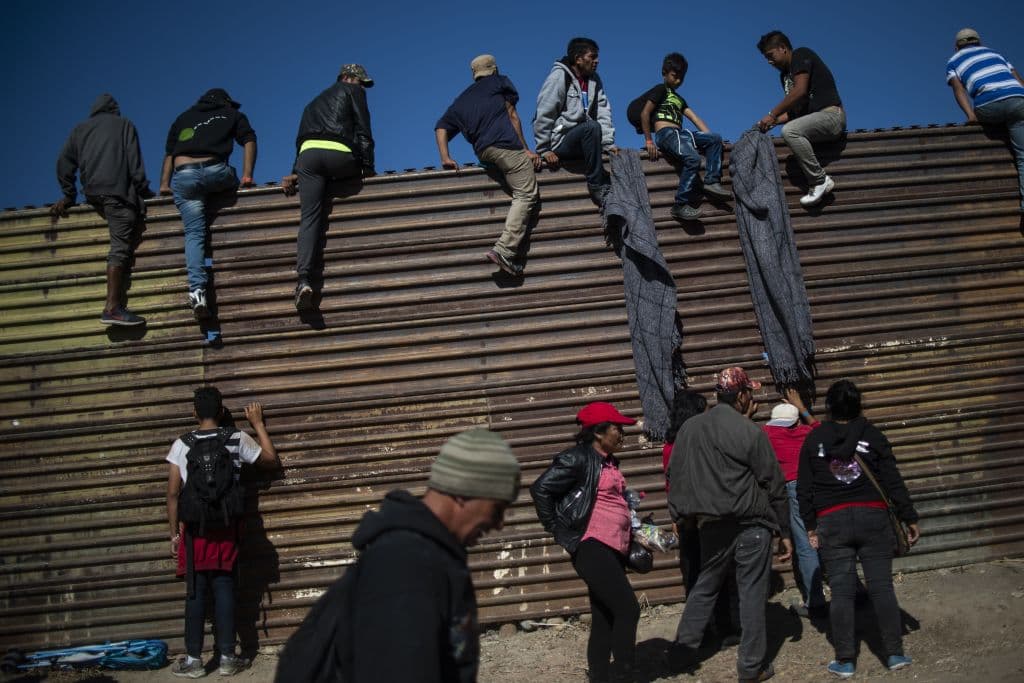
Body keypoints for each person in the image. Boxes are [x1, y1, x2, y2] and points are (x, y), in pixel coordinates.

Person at [274, 428, 520, 682]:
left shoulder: (426, 555)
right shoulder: (406, 567)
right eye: (497, 508)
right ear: (464, 491)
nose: (499, 524)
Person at [667, 367, 791, 683]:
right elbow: (773, 483)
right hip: (751, 524)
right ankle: (751, 668)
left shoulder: (690, 429)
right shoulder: (749, 431)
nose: (752, 397)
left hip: (711, 525)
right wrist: (785, 531)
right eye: (750, 392)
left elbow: (676, 476)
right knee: (751, 593)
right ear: (741, 396)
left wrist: (682, 517)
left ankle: (680, 654)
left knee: (705, 586)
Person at [796, 380, 921, 678]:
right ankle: (894, 654)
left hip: (832, 522)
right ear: (859, 405)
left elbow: (804, 489)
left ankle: (845, 660)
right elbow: (892, 479)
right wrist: (909, 516)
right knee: (881, 586)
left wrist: (811, 526)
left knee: (841, 592)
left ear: (829, 407)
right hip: (873, 518)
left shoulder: (815, 440)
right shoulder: (873, 435)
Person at [166, 386, 279, 678]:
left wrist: (174, 534)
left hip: (194, 530)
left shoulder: (182, 443)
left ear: (194, 412)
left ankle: (193, 661)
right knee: (225, 587)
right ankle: (228, 658)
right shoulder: (236, 438)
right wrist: (258, 425)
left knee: (195, 592)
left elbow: (173, 494)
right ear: (220, 411)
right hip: (227, 526)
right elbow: (270, 461)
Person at [530, 402, 640, 682]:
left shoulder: (609, 461)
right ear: (599, 432)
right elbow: (540, 489)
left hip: (613, 546)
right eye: (617, 428)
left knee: (603, 617)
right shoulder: (578, 458)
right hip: (591, 546)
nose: (622, 434)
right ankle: (626, 671)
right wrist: (558, 530)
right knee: (628, 608)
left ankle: (600, 676)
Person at [51, 93, 154, 326]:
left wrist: (69, 195)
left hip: (94, 193)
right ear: (114, 109)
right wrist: (144, 191)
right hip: (117, 193)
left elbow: (63, 163)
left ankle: (113, 305)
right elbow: (134, 162)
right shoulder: (124, 124)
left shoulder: (80, 129)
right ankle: (112, 308)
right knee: (120, 247)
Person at [435, 54, 541, 276]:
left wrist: (445, 157)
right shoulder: (499, 82)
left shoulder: (461, 100)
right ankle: (505, 249)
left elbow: (441, 127)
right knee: (525, 195)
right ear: (494, 69)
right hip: (505, 145)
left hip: (484, 152)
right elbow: (512, 115)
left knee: (507, 179)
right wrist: (525, 149)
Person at [283, 64, 376, 311]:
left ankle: (303, 280)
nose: (362, 87)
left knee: (309, 218)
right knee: (344, 181)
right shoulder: (352, 91)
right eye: (360, 81)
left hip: (308, 159)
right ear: (347, 77)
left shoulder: (311, 104)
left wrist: (294, 173)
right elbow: (362, 128)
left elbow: (301, 141)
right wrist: (368, 165)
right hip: (339, 157)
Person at [160, 89, 257, 320]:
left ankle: (197, 291)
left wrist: (164, 184)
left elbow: (170, 154)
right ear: (224, 102)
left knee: (194, 234)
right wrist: (246, 176)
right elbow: (249, 140)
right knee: (227, 179)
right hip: (217, 172)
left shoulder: (183, 118)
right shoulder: (231, 114)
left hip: (184, 176)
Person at [638, 52, 732, 222]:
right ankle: (680, 205)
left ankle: (711, 181)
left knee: (715, 139)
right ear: (664, 72)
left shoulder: (680, 99)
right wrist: (649, 140)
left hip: (682, 134)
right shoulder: (660, 90)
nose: (678, 81)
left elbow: (695, 118)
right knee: (693, 159)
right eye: (675, 76)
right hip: (666, 134)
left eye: (682, 77)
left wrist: (710, 135)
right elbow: (645, 113)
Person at [756, 31, 845, 208]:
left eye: (770, 55)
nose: (769, 61)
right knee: (790, 127)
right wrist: (772, 122)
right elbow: (796, 110)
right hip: (814, 119)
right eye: (766, 58)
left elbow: (800, 91)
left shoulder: (800, 54)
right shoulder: (784, 76)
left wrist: (772, 114)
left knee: (790, 131)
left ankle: (819, 180)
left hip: (831, 115)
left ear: (782, 48)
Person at [761, 388, 826, 618]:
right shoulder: (808, 432)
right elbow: (822, 429)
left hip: (792, 488)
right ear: (796, 421)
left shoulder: (767, 432)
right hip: (818, 486)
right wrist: (802, 408)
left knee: (805, 543)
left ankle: (816, 603)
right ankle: (855, 591)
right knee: (830, 539)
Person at [946, 28, 1024, 213]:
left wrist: (971, 116)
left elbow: (958, 90)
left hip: (988, 107)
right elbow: (1019, 80)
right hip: (1018, 101)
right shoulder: (995, 53)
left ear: (957, 47)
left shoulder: (953, 60)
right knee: (1022, 156)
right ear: (979, 42)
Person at [534, 37, 616, 205]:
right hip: (562, 141)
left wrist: (608, 143)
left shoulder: (594, 80)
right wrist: (544, 149)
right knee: (591, 127)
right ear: (578, 59)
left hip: (585, 139)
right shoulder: (559, 76)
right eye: (592, 57)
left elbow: (603, 111)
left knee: (593, 127)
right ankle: (596, 185)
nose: (596, 61)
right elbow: (544, 112)